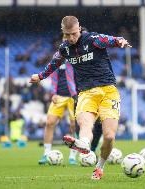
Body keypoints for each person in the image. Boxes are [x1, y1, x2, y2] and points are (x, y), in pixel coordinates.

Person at [30, 16, 130, 179]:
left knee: (109, 136)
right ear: (63, 33)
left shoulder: (93, 40)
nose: (71, 38)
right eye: (67, 35)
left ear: (80, 29)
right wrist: (40, 76)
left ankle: (100, 167)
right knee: (85, 124)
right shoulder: (65, 48)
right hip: (86, 93)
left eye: (74, 34)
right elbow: (54, 63)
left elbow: (112, 39)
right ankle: (83, 143)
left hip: (108, 91)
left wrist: (120, 41)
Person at [38, 53, 78, 165]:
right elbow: (54, 76)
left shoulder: (77, 56)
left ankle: (72, 156)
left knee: (74, 126)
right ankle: (46, 153)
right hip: (59, 95)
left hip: (73, 96)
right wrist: (53, 93)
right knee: (50, 122)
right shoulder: (58, 56)